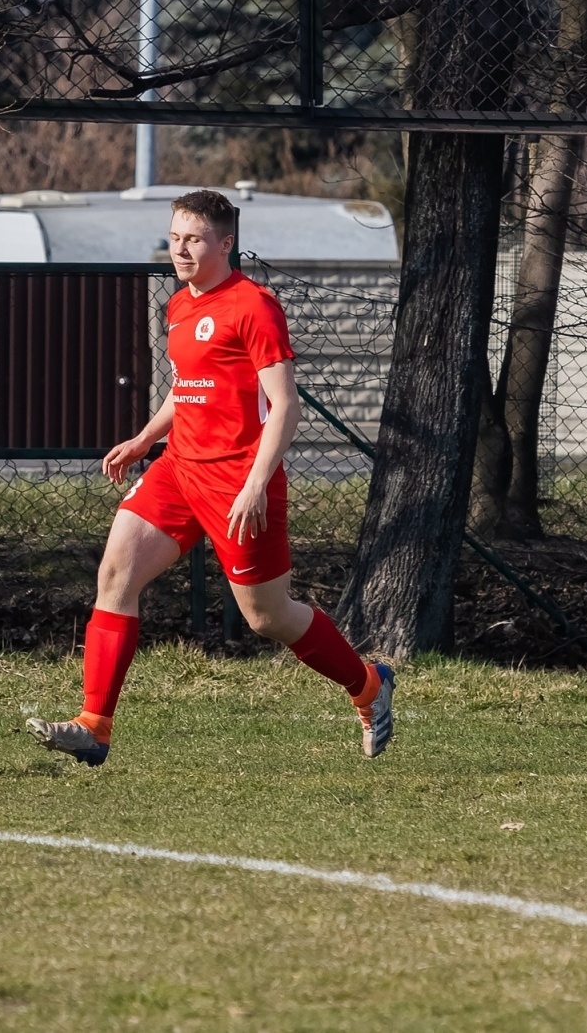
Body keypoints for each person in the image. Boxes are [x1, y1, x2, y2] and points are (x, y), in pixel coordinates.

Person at [26, 189, 394, 767]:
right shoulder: (179, 304)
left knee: (267, 617)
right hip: (179, 470)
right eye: (175, 238)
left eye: (194, 239)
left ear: (225, 243)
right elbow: (189, 386)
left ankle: (368, 685)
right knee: (116, 572)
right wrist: (148, 438)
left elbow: (286, 405)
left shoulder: (254, 306)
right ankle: (94, 725)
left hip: (240, 482)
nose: (181, 249)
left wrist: (254, 483)